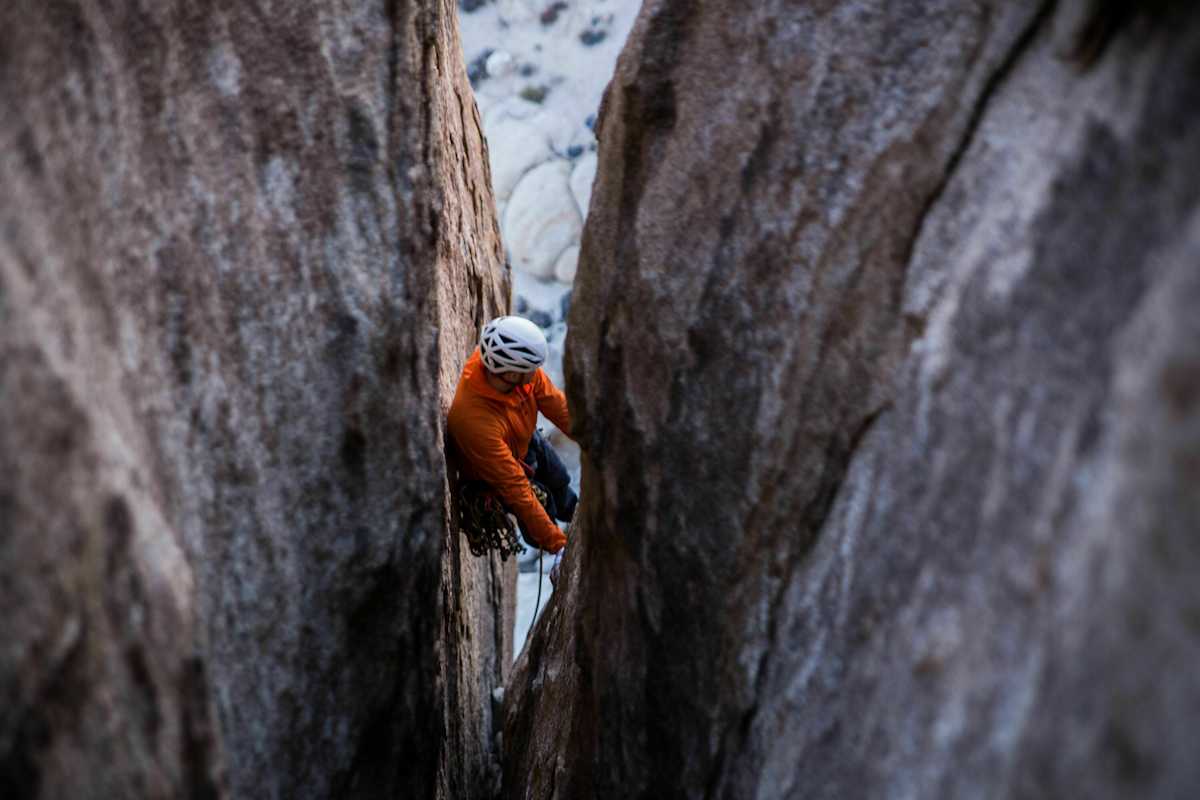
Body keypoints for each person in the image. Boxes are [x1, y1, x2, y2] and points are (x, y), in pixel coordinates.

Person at [448, 316, 578, 554]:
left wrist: (596, 442)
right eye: (529, 369)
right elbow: (516, 488)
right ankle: (556, 540)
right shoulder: (474, 421)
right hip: (496, 474)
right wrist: (558, 546)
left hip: (524, 441)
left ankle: (576, 514)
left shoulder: (518, 374)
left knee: (559, 479)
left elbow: (560, 408)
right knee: (543, 501)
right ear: (509, 373)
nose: (535, 373)